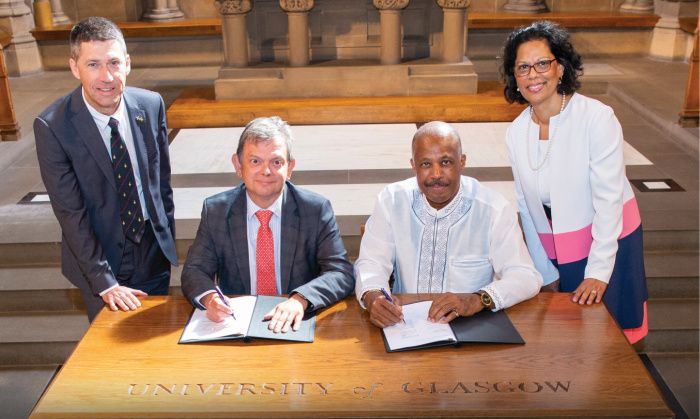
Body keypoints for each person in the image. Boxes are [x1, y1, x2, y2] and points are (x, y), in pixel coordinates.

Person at [500, 21, 648, 343]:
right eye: (523, 67)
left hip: (608, 237)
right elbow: (526, 207)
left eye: (542, 63)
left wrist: (597, 272)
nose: (533, 75)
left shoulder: (596, 118)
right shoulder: (516, 131)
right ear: (515, 76)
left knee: (608, 338)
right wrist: (544, 269)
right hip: (555, 239)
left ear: (561, 68)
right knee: (565, 338)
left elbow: (609, 202)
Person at [34, 17, 177, 322]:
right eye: (93, 65)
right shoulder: (54, 126)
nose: (107, 76)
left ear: (127, 63)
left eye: (114, 63)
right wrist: (106, 282)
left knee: (155, 350)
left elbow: (161, 182)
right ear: (75, 67)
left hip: (152, 253)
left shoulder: (151, 105)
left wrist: (166, 238)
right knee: (114, 361)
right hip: (102, 263)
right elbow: (71, 214)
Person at [355, 121, 542, 328]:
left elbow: (526, 276)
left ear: (461, 161)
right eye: (426, 164)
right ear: (413, 165)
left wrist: (479, 299)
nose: (436, 174)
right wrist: (374, 297)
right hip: (405, 325)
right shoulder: (391, 200)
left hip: (472, 325)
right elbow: (371, 262)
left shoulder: (493, 208)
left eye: (445, 162)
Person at [181, 116, 355, 333]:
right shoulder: (216, 211)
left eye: (276, 162)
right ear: (238, 164)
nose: (266, 171)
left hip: (295, 323)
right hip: (235, 325)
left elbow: (341, 272)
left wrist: (300, 299)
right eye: (255, 161)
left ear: (290, 167)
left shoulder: (315, 209)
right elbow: (194, 270)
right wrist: (210, 298)